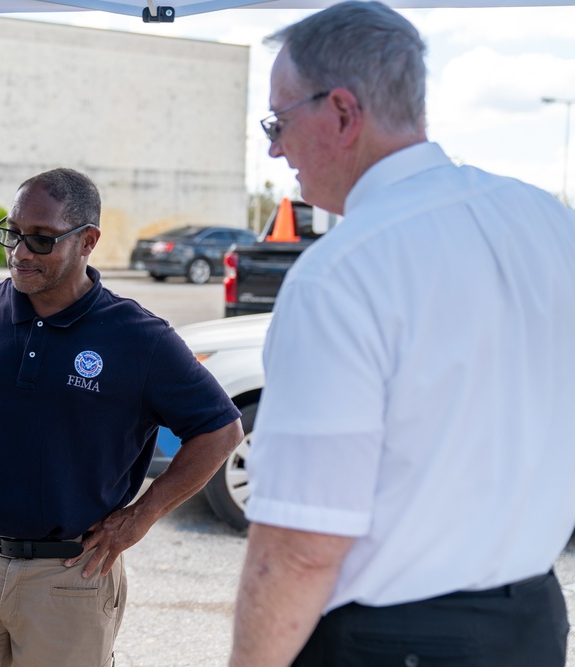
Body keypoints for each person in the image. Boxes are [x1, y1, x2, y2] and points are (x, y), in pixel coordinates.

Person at [230, 3, 575, 666]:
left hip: (388, 643)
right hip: (532, 623)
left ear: (340, 112)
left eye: (277, 121)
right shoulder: (549, 225)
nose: (275, 148)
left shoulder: (342, 272)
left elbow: (302, 543)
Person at [0, 167, 243, 667]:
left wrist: (139, 518)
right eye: (12, 233)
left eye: (41, 239)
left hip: (71, 576)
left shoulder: (140, 339)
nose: (19, 251)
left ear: (88, 241)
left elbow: (220, 430)